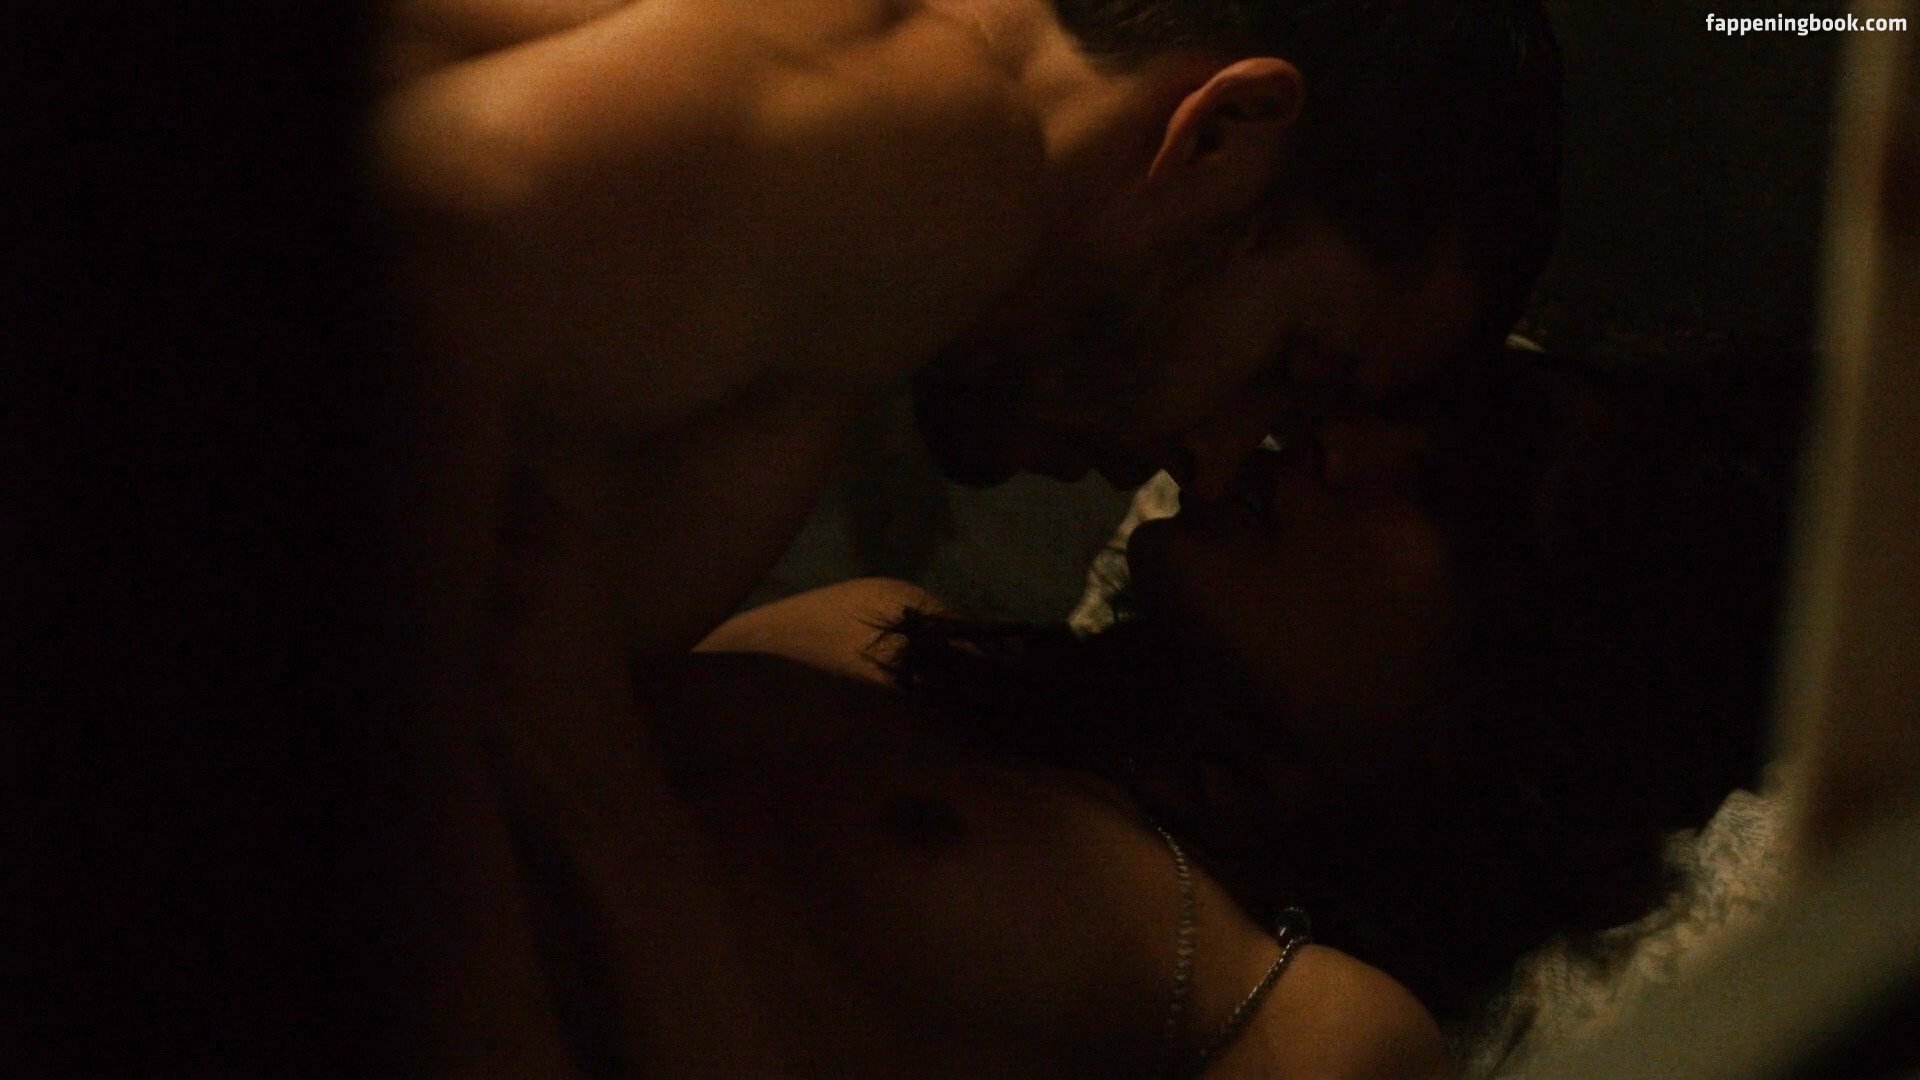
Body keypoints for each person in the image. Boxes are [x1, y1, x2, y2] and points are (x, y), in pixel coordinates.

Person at [370, 0, 1564, 1071]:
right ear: (1219, 137)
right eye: (1287, 372)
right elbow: (424, 254)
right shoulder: (956, 151)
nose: (1213, 460)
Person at [691, 338, 1789, 1072]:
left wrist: (598, 790)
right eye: (1394, 413)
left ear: (1520, 702)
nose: (1333, 441)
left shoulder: (1319, 1023)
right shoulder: (890, 638)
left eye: (1451, 491)